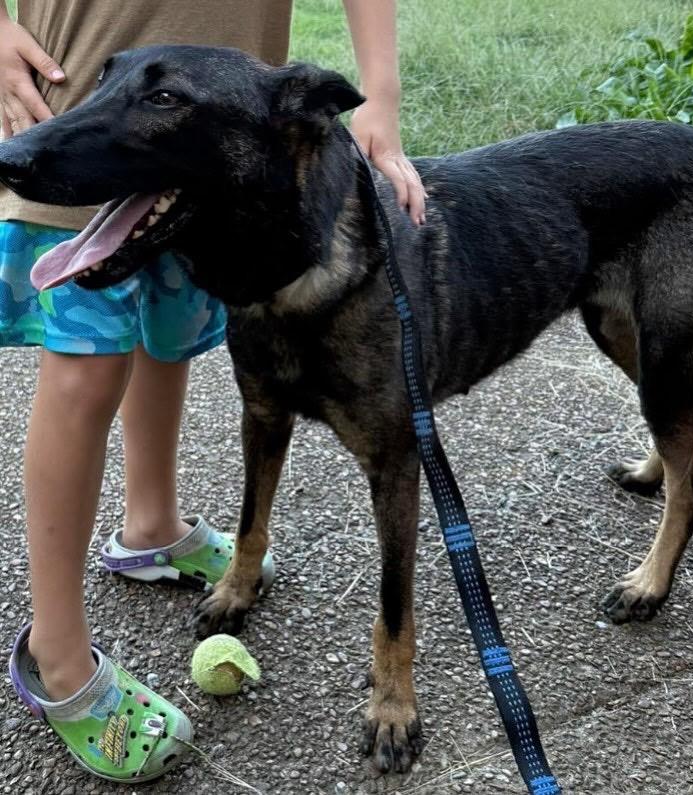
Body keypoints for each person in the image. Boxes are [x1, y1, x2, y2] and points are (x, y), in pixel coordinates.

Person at [0, 0, 425, 782]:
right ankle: (58, 660)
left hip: (233, 138)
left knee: (170, 341)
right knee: (84, 369)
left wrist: (382, 103)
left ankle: (152, 525)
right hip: (84, 100)